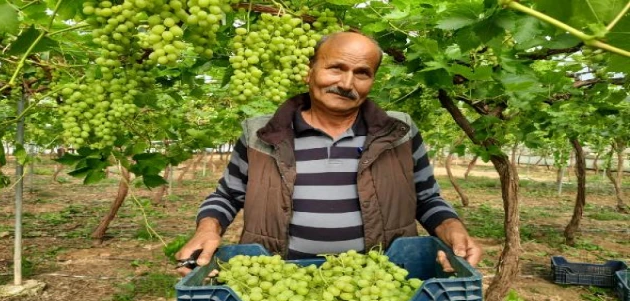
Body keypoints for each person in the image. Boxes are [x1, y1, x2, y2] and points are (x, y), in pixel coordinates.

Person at [176, 31, 481, 276]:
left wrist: (452, 228)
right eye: (336, 68)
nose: (346, 83)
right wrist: (207, 229)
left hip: (377, 283)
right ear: (310, 70)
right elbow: (228, 196)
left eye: (362, 73)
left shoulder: (399, 132)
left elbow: (426, 198)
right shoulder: (261, 134)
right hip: (280, 282)